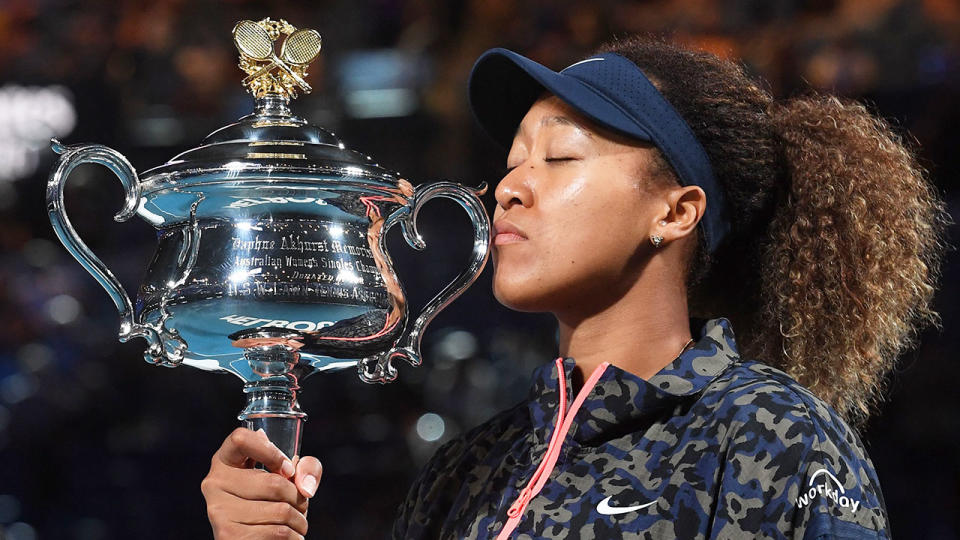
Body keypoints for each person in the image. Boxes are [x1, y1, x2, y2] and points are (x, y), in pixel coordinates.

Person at [201, 36, 946, 539]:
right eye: (513, 160)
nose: (510, 188)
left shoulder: (771, 435)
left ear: (674, 210)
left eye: (559, 157)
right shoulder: (465, 472)